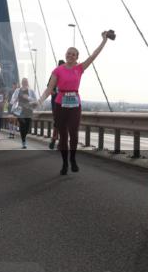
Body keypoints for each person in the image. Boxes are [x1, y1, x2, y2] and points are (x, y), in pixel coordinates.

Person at [39, 31, 112, 175]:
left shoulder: (80, 68)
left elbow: (94, 56)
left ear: (77, 57)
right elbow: (50, 88)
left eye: (73, 54)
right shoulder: (57, 70)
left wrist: (104, 41)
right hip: (60, 104)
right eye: (68, 53)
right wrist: (39, 101)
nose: (70, 55)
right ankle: (65, 163)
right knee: (63, 136)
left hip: (74, 105)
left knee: (74, 133)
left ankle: (72, 159)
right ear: (65, 55)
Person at [11, 77, 38, 148]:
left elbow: (36, 101)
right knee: (22, 125)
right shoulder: (17, 90)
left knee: (28, 126)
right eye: (23, 81)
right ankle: (23, 141)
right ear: (21, 82)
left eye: (25, 81)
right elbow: (12, 100)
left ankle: (24, 136)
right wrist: (15, 99)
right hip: (19, 110)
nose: (24, 82)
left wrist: (28, 98)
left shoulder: (31, 91)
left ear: (27, 82)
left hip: (29, 110)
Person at [48, 59, 64, 150]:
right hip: (55, 102)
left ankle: (59, 141)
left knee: (62, 122)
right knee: (57, 121)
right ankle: (54, 139)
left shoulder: (66, 75)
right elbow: (49, 88)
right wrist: (53, 92)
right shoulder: (54, 75)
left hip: (64, 102)